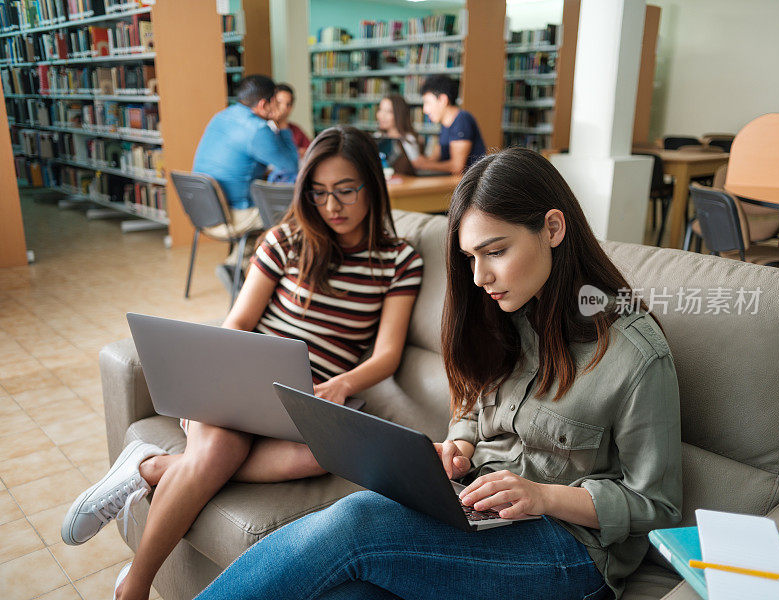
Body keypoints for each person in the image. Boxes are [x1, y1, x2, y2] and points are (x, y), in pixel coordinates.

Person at [190, 147, 682, 600]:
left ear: (553, 229)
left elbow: (656, 505)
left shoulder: (635, 356)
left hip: (571, 553)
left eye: (495, 251)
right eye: (470, 257)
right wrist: (461, 445)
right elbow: (472, 405)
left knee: (358, 521)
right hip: (474, 506)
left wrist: (541, 496)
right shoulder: (504, 313)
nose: (479, 277)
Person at [61, 126, 424, 600]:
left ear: (372, 187)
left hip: (311, 397)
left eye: (345, 191)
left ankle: (153, 467)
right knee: (217, 451)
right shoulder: (285, 241)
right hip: (244, 380)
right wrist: (217, 378)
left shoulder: (399, 262)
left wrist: (341, 384)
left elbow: (388, 355)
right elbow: (237, 323)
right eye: (317, 193)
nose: (331, 206)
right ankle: (135, 586)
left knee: (320, 457)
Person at [192, 75, 300, 290]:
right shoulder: (258, 130)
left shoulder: (221, 116)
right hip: (233, 216)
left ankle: (236, 265)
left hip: (202, 211)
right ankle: (286, 283)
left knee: (263, 208)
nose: (279, 107)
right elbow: (291, 165)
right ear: (263, 104)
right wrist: (282, 125)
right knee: (291, 214)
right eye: (275, 103)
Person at [412, 74, 487, 175]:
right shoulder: (445, 124)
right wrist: (421, 161)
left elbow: (457, 167)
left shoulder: (462, 120)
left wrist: (424, 165)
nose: (425, 110)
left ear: (443, 100)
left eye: (427, 102)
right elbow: (436, 158)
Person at [375, 93, 421, 161]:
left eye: (388, 112)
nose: (381, 115)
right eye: (380, 110)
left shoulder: (408, 141)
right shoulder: (377, 136)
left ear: (399, 114)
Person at [273, 83, 312, 159]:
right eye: (279, 103)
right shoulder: (264, 129)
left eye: (288, 104)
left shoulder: (295, 130)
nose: (284, 108)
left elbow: (311, 150)